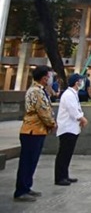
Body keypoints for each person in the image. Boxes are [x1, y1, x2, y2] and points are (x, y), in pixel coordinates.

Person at [14, 65, 56, 202]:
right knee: (27, 161)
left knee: (32, 161)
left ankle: (26, 187)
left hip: (38, 131)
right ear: (44, 78)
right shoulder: (35, 92)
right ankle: (21, 190)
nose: (51, 79)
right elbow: (43, 111)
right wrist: (52, 124)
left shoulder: (40, 90)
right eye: (50, 76)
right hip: (31, 131)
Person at [55, 74, 88, 186]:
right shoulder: (69, 94)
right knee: (64, 153)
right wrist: (81, 118)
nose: (82, 83)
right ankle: (60, 177)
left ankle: (65, 175)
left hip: (73, 128)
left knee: (67, 154)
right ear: (76, 82)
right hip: (67, 128)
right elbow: (72, 110)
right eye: (80, 81)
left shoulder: (74, 94)